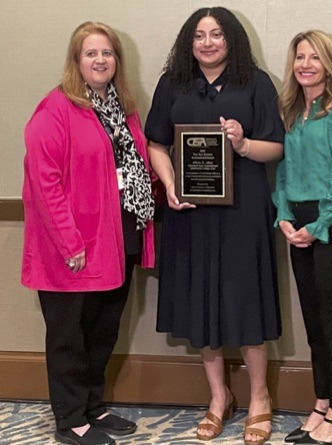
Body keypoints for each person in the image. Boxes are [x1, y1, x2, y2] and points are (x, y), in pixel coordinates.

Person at [145, 7, 284, 445]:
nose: (207, 42)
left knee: (246, 301)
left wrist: (242, 144)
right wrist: (169, 185)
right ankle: (219, 397)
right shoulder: (173, 84)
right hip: (190, 214)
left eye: (217, 34)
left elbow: (276, 148)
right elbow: (156, 143)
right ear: (189, 42)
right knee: (201, 300)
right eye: (199, 35)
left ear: (232, 40)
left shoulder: (255, 82)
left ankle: (260, 398)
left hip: (243, 213)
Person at [21, 22, 156, 445]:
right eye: (91, 53)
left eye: (107, 53)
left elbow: (138, 164)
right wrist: (69, 243)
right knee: (69, 335)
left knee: (103, 329)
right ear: (76, 61)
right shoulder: (56, 108)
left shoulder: (123, 107)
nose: (100, 60)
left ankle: (93, 406)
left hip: (118, 235)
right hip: (74, 245)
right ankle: (70, 418)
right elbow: (44, 182)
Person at [273, 30, 332, 444]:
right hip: (299, 224)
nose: (305, 64)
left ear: (329, 64)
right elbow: (286, 173)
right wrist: (284, 216)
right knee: (314, 324)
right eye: (299, 57)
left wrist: (318, 225)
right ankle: (323, 402)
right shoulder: (294, 112)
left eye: (314, 57)